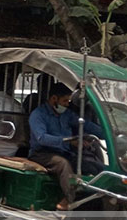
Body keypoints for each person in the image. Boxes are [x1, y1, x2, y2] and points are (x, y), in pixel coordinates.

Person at [28, 82, 105, 211]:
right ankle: (69, 200)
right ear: (54, 99)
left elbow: (85, 125)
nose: (67, 104)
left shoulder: (66, 114)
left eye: (68, 101)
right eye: (65, 101)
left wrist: (108, 134)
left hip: (64, 152)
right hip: (42, 154)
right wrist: (68, 141)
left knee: (94, 165)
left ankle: (103, 196)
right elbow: (42, 138)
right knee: (63, 164)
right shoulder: (38, 115)